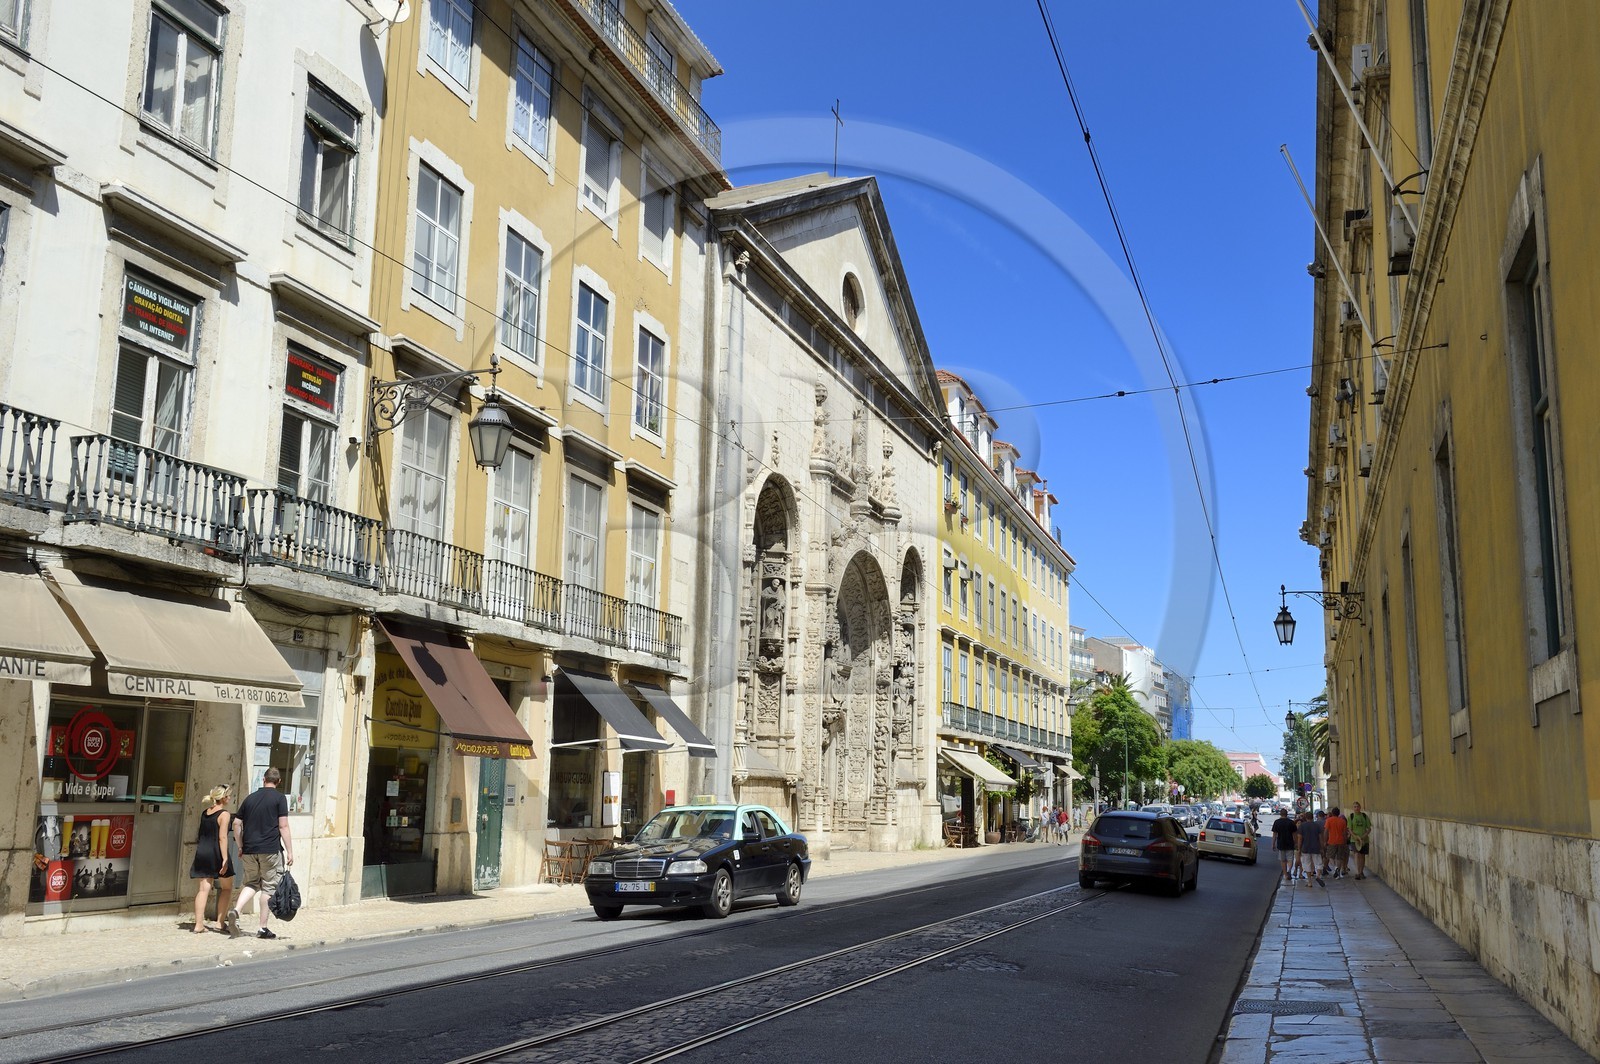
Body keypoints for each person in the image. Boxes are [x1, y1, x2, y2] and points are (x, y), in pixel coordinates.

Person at [229, 767, 293, 940]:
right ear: (278, 782)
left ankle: (236, 910)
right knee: (268, 887)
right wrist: (289, 851)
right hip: (270, 850)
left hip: (249, 849)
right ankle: (263, 928)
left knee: (251, 883)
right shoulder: (279, 798)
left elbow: (236, 824)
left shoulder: (250, 798)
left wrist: (241, 845)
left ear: (263, 780)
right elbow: (283, 826)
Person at [189, 784, 234, 933]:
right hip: (216, 852)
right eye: (229, 795)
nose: (230, 798)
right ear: (224, 797)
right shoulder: (224, 814)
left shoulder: (205, 812)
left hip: (202, 851)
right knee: (227, 887)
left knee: (203, 889)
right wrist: (225, 858)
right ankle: (220, 923)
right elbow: (222, 837)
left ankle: (198, 924)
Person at [1297, 810, 1325, 887]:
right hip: (1316, 847)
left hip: (1305, 848)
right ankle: (1318, 876)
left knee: (1307, 864)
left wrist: (1299, 849)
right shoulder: (1317, 826)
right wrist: (1322, 848)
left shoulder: (1302, 826)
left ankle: (1309, 882)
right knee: (1318, 863)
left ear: (1305, 818)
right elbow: (1320, 838)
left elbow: (1299, 838)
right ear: (1313, 817)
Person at [1270, 808, 1297, 883]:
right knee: (1290, 859)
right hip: (1290, 843)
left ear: (1280, 814)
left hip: (1281, 843)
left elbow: (1275, 834)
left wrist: (1273, 844)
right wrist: (1296, 842)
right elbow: (1294, 834)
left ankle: (1285, 874)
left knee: (1283, 860)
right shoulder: (1291, 822)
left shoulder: (1277, 822)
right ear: (1287, 814)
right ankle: (1289, 870)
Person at [1323, 806, 1350, 878]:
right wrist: (1345, 841)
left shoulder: (1329, 820)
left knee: (1330, 856)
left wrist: (1325, 841)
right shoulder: (1343, 821)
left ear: (1332, 813)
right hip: (1341, 841)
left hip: (1332, 841)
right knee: (1339, 857)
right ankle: (1338, 873)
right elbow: (1344, 833)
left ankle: (1335, 867)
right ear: (1338, 813)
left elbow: (1326, 831)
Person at [1348, 802, 1372, 879]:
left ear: (1360, 807)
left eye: (1357, 806)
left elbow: (1369, 829)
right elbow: (1350, 829)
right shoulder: (1351, 817)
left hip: (1364, 840)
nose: (1356, 808)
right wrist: (1356, 837)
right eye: (1355, 807)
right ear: (1353, 808)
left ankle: (1361, 871)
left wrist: (1363, 837)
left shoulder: (1364, 816)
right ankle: (1358, 872)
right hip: (1354, 840)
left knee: (1362, 855)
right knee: (1357, 855)